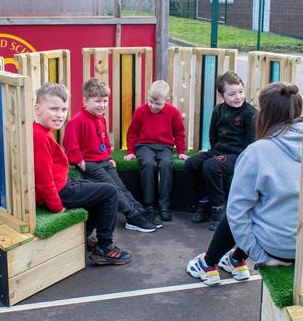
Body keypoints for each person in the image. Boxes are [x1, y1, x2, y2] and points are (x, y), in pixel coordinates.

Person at [187, 82, 303, 285]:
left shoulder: (258, 151)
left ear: (265, 114)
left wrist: (261, 256)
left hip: (276, 249)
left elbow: (237, 214)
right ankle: (236, 258)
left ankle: (208, 263)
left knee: (241, 207)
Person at [33, 82, 131, 266]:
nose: (60, 114)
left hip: (63, 184)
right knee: (110, 192)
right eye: (54, 109)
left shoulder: (43, 132)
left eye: (63, 109)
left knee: (100, 192)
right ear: (37, 109)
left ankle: (84, 237)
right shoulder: (40, 136)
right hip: (60, 191)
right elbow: (43, 179)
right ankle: (105, 247)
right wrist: (56, 207)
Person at [63, 78, 159, 233]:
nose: (102, 105)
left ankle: (140, 210)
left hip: (104, 161)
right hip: (91, 165)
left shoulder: (101, 118)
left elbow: (104, 140)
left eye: (105, 101)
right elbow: (70, 146)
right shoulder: (76, 121)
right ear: (85, 101)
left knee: (122, 187)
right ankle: (132, 217)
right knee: (114, 189)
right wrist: (81, 163)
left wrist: (108, 157)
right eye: (97, 101)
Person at [184, 71, 257, 231]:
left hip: (239, 155)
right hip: (219, 151)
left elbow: (251, 143)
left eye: (240, 92)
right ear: (221, 95)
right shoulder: (219, 110)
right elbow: (213, 134)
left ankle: (218, 207)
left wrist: (238, 159)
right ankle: (204, 201)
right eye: (232, 94)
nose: (238, 97)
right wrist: (216, 151)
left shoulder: (249, 113)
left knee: (211, 165)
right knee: (191, 163)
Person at [123, 80, 188, 222]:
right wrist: (131, 151)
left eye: (158, 103)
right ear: (148, 95)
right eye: (151, 101)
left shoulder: (173, 112)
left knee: (166, 165)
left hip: (165, 147)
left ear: (166, 100)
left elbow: (179, 133)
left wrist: (181, 151)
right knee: (148, 164)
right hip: (144, 146)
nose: (153, 106)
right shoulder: (140, 111)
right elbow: (132, 133)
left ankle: (164, 206)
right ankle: (149, 205)